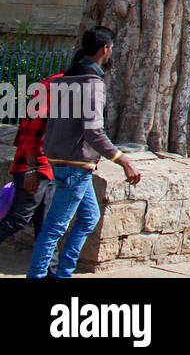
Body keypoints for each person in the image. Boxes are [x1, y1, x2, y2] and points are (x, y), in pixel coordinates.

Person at [28, 27, 141, 279]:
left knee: (89, 217)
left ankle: (64, 273)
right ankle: (37, 275)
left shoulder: (64, 80)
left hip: (65, 160)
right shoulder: (92, 85)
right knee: (55, 226)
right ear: (106, 49)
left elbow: (54, 123)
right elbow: (93, 132)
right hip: (75, 164)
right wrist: (123, 160)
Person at [0, 73, 60, 247]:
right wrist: (33, 168)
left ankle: (49, 272)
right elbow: (32, 131)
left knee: (46, 227)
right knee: (18, 219)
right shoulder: (58, 86)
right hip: (38, 166)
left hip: (45, 165)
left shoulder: (52, 82)